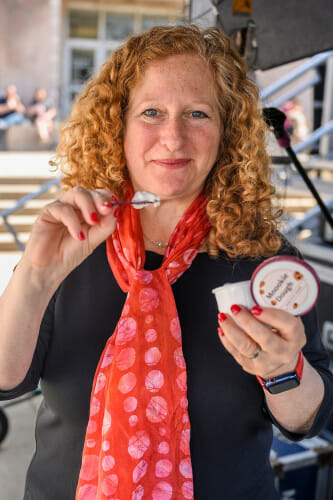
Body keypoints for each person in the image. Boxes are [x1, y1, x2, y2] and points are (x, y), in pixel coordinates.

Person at [0, 25, 332, 500]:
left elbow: (308, 420)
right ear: (119, 124)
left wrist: (284, 371)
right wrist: (34, 276)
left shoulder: (268, 262)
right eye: (151, 112)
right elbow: (5, 381)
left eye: (198, 113)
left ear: (227, 131)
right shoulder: (73, 240)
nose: (173, 137)